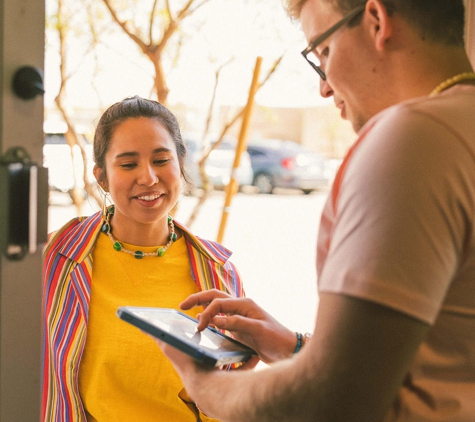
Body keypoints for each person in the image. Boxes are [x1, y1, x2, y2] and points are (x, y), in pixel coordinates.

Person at [153, 0, 475, 421]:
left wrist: (202, 384)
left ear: (377, 21)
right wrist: (296, 348)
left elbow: (332, 400)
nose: (324, 86)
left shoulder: (410, 141)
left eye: (322, 52)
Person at [41, 96, 246, 421]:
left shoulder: (218, 271)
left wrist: (237, 379)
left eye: (162, 160)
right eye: (128, 164)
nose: (148, 177)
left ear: (180, 163)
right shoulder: (59, 259)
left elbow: (224, 399)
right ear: (102, 176)